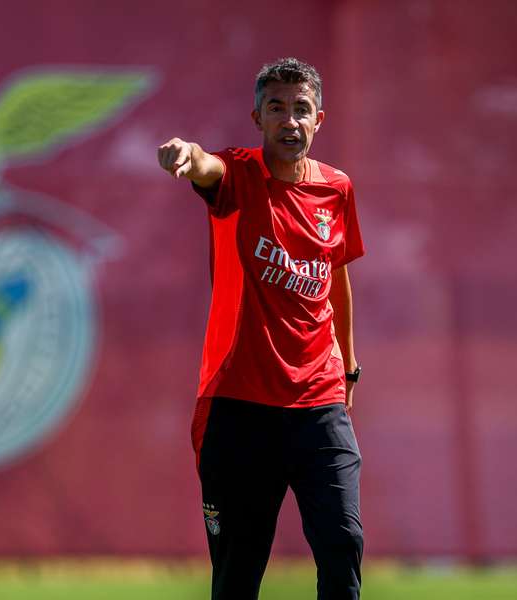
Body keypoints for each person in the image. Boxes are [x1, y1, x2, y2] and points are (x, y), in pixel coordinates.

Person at [157, 58, 366, 600]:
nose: (289, 120)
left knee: (343, 544)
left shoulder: (337, 189)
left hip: (318, 401)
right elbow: (207, 166)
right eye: (277, 108)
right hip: (240, 406)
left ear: (319, 119)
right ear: (257, 117)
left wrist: (348, 366)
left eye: (302, 109)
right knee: (238, 573)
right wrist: (186, 153)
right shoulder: (238, 175)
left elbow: (335, 277)